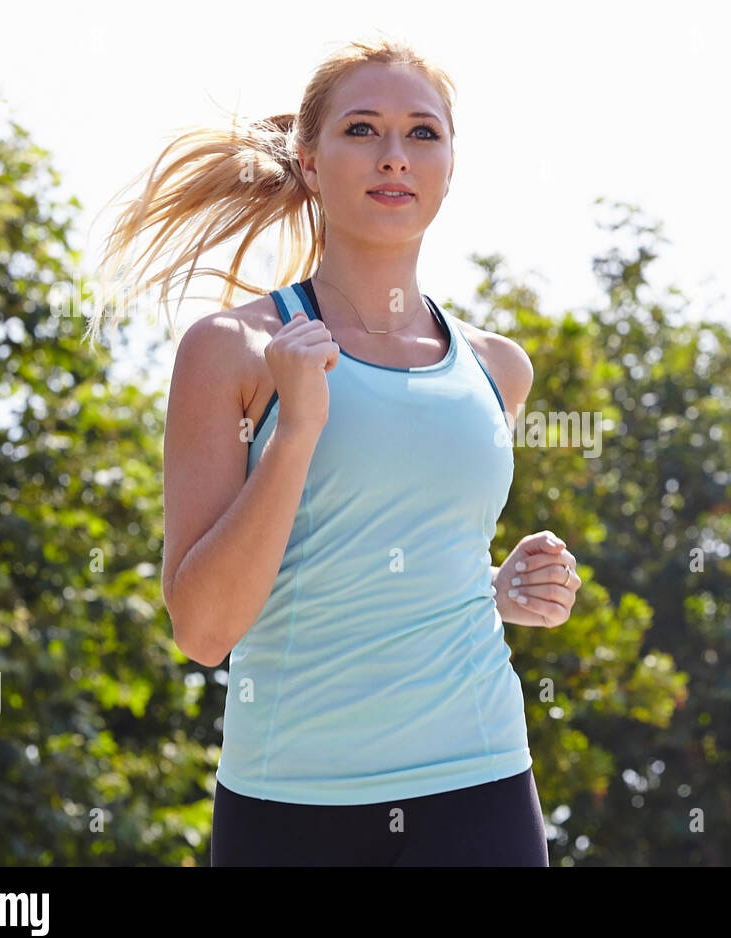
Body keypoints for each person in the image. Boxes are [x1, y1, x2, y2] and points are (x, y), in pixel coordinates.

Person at [89, 34, 582, 866]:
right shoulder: (234, 350)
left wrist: (497, 588)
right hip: (294, 805)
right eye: (362, 130)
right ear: (311, 162)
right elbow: (204, 630)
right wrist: (299, 435)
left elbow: (388, 550)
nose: (395, 156)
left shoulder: (500, 369)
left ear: (451, 166)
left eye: (423, 133)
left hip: (484, 784)